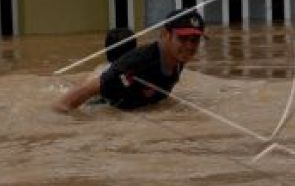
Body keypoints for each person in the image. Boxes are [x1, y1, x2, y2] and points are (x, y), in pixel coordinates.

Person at [55, 9, 205, 112]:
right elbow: (86, 90)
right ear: (165, 35)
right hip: (102, 107)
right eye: (183, 38)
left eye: (195, 40)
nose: (189, 46)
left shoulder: (179, 58)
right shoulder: (138, 64)